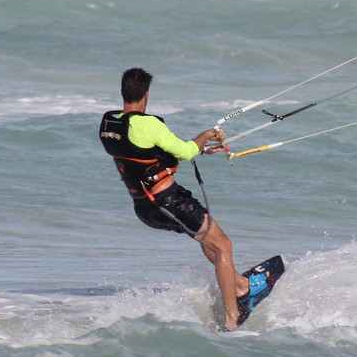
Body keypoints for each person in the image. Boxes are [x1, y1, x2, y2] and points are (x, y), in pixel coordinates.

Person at [99, 67, 267, 330]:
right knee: (223, 245)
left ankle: (239, 284)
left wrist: (205, 149)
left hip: (145, 208)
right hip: (171, 202)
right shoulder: (149, 124)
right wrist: (206, 136)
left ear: (122, 92)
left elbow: (148, 155)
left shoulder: (109, 124)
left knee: (208, 240)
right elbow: (186, 152)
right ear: (146, 94)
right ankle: (233, 316)